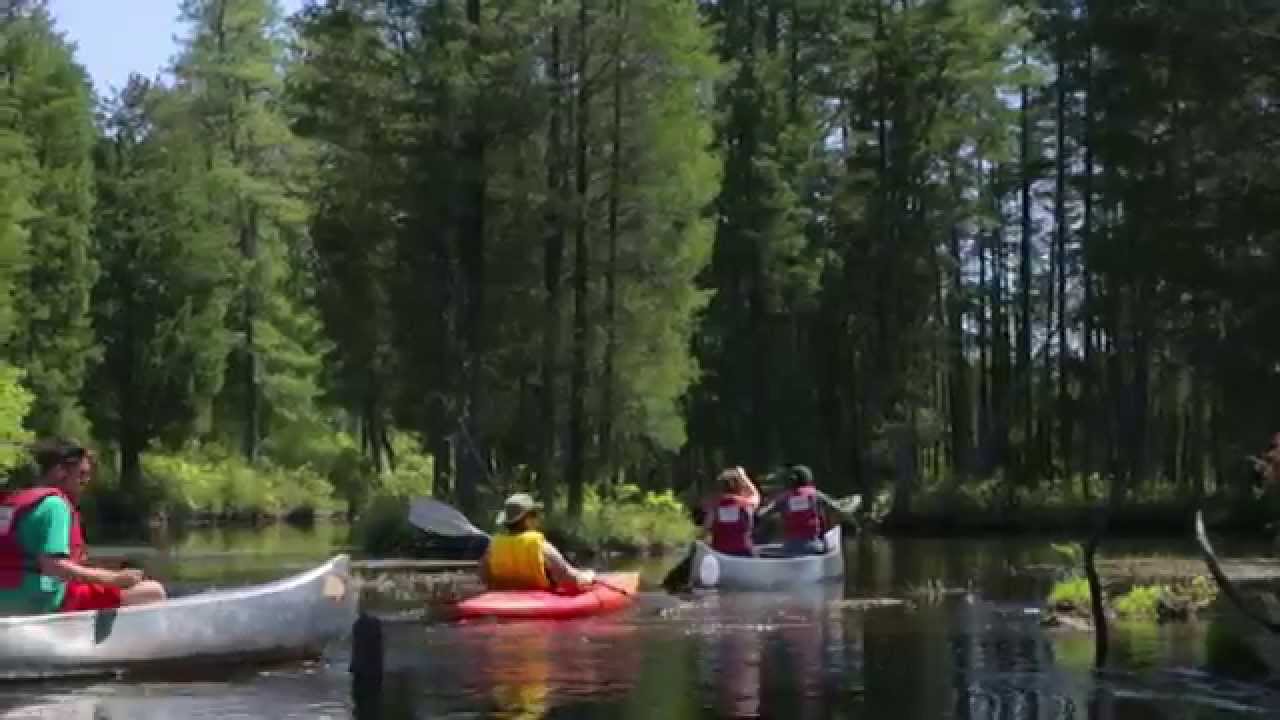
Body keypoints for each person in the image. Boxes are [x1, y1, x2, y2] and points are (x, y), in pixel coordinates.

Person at [0, 440, 166, 615]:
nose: (86, 481)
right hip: (38, 602)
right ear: (59, 472)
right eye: (82, 474)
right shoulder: (54, 505)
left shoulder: (9, 503)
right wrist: (113, 578)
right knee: (153, 591)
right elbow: (54, 566)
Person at [478, 493, 595, 592]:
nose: (537, 518)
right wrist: (588, 576)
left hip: (502, 606)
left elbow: (483, 578)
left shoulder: (492, 548)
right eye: (534, 514)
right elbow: (567, 579)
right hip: (537, 606)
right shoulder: (540, 546)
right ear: (528, 519)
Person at [757, 464, 843, 556]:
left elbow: (761, 514)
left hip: (790, 548)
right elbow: (837, 507)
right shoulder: (815, 494)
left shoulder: (784, 498)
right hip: (813, 546)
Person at [704, 466, 760, 557]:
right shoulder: (745, 503)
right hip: (743, 551)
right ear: (740, 486)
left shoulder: (714, 506)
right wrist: (743, 476)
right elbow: (756, 496)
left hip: (720, 553)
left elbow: (706, 526)